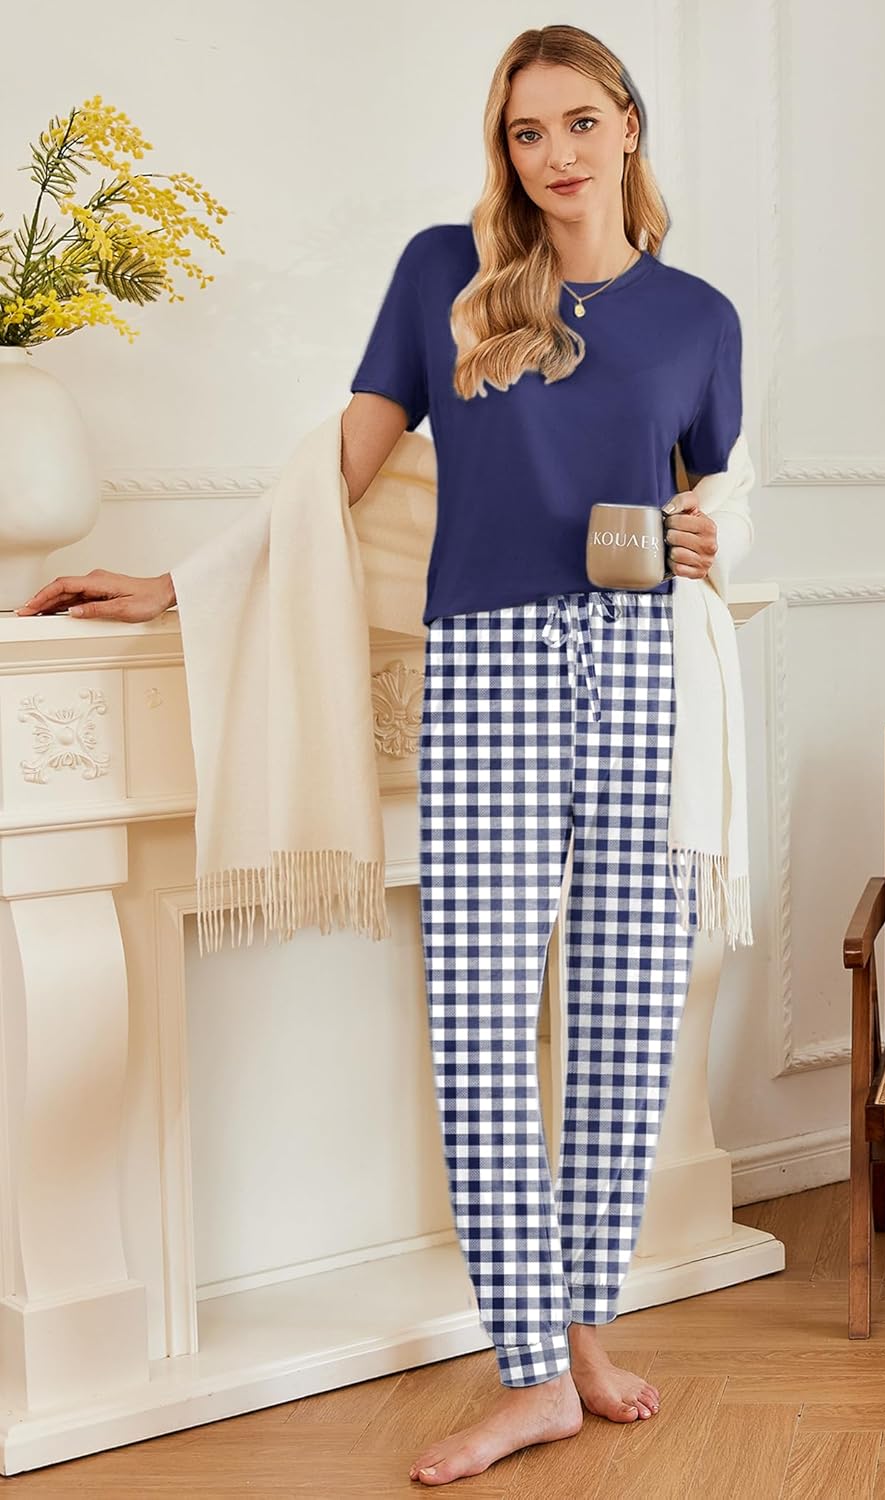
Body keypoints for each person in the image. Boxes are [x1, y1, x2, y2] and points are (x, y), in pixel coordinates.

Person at [17, 24, 743, 1489]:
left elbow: (711, 496)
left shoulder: (700, 318)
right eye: (527, 130)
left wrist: (707, 540)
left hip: (642, 664)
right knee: (479, 1022)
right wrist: (171, 586)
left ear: (628, 125)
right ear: (505, 147)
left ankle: (583, 1336)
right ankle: (529, 1376)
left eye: (580, 122)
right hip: (485, 665)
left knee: (625, 1011)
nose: (555, 154)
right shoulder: (443, 276)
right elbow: (335, 475)